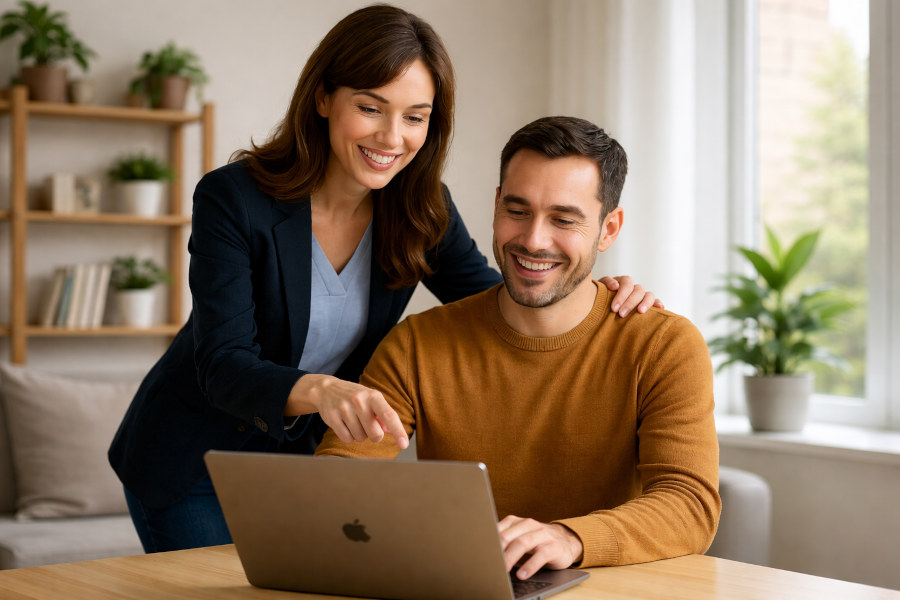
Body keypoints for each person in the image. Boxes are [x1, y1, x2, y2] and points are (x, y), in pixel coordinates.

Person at [108, 5, 659, 554]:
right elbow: (223, 364)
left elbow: (496, 301)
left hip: (306, 461)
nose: (392, 137)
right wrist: (324, 390)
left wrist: (593, 292)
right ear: (323, 98)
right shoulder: (234, 199)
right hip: (192, 460)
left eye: (415, 116)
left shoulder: (423, 209)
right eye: (371, 108)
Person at [315, 116, 720, 577]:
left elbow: (690, 506)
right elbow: (340, 479)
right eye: (517, 211)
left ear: (609, 229)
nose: (533, 240)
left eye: (564, 220)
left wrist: (570, 538)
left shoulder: (664, 345)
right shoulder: (416, 344)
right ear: (494, 207)